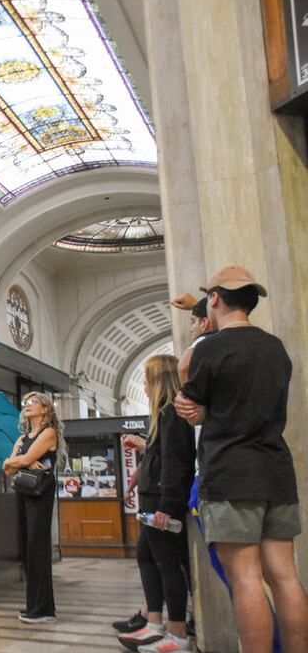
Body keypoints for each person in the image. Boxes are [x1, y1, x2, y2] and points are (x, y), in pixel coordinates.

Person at [175, 265, 308, 653]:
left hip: (231, 472)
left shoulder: (210, 348)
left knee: (246, 578)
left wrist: (194, 408)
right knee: (285, 576)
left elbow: (191, 401)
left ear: (214, 299)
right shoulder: (275, 347)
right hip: (276, 473)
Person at [118, 356, 196, 652]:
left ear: (157, 380)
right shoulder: (161, 415)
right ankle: (154, 622)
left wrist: (166, 504)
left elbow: (175, 463)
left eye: (146, 379)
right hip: (152, 499)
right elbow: (160, 457)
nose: (144, 386)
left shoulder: (171, 413)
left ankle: (177, 635)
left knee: (168, 565)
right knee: (146, 556)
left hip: (162, 501)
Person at [3, 392, 67, 624]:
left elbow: (20, 460)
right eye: (25, 403)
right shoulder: (22, 438)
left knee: (38, 548)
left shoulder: (48, 433)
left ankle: (44, 609)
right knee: (28, 549)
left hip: (40, 494)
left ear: (46, 409)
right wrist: (23, 460)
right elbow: (7, 467)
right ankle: (34, 605)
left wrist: (22, 460)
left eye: (33, 403)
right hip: (23, 492)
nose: (27, 406)